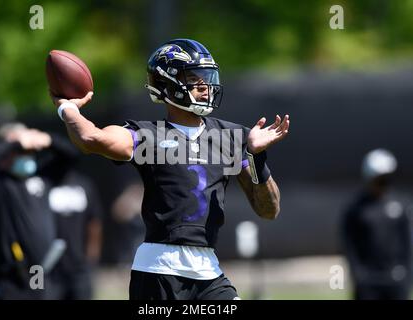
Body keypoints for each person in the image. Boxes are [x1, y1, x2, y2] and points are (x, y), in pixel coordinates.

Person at [51, 39, 290, 300]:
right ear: (167, 84)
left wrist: (255, 157)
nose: (205, 87)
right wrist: (67, 107)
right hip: (158, 269)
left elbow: (269, 210)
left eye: (207, 78)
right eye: (194, 78)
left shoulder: (232, 137)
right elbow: (91, 139)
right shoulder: (146, 135)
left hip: (208, 271)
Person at [0, 122, 79, 299]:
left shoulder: (42, 177)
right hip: (6, 279)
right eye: (20, 150)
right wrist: (17, 142)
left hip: (39, 274)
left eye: (29, 150)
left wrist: (48, 139)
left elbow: (71, 155)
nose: (27, 154)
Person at [341, 149, 412, 300]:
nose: (382, 184)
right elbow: (349, 247)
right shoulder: (356, 210)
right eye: (379, 180)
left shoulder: (400, 206)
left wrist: (406, 277)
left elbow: (408, 244)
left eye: (386, 179)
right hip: (369, 282)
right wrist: (359, 276)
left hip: (395, 280)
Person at [50, 165, 103, 300]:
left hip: (79, 265)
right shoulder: (45, 183)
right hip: (51, 267)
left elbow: (94, 222)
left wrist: (92, 257)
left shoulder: (85, 185)